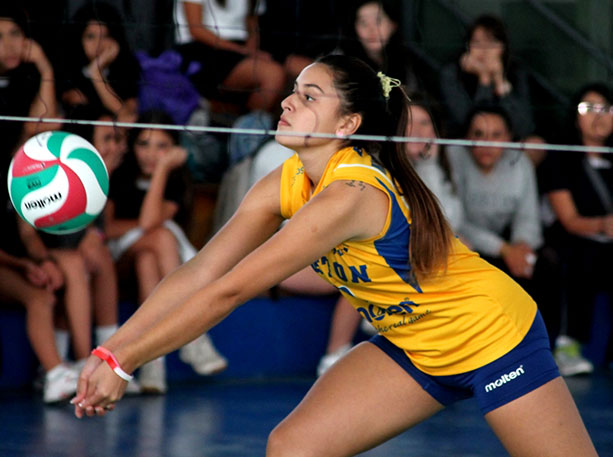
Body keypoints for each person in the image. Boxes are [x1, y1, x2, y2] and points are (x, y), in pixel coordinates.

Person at [72, 55, 597, 457]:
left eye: (309, 96)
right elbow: (201, 270)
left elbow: (229, 290)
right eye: (293, 92)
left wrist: (128, 362)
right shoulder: (286, 181)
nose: (287, 102)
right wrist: (110, 351)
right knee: (294, 447)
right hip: (416, 345)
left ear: (347, 125)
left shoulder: (350, 195)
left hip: (493, 335)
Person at [104, 110, 227, 393]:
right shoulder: (121, 175)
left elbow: (147, 222)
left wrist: (161, 174)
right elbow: (116, 228)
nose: (151, 154)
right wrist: (161, 169)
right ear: (132, 145)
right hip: (116, 263)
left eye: (161, 147)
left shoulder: (173, 181)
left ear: (173, 149)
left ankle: (152, 366)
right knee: (159, 235)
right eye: (144, 144)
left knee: (149, 259)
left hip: (147, 262)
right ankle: (193, 338)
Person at [538, 82, 613, 375]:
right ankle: (567, 346)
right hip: (572, 239)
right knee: (582, 258)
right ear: (574, 116)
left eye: (606, 108)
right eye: (588, 108)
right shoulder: (560, 158)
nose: (599, 116)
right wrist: (604, 225)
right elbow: (568, 219)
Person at [0, 179, 77, 404]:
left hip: (16, 264)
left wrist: (44, 262)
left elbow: (27, 233)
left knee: (55, 285)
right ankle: (55, 373)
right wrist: (23, 265)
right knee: (38, 298)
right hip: (10, 265)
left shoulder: (17, 180)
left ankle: (54, 369)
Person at [174, 0, 285, 113]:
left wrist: (252, 50)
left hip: (240, 48)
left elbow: (252, 22)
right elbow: (196, 30)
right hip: (203, 49)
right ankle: (248, 126)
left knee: (294, 68)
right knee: (273, 74)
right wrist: (242, 51)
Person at [439, 14, 535, 140]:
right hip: (467, 145)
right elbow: (469, 126)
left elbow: (525, 128)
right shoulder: (452, 73)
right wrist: (484, 80)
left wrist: (500, 83)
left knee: (536, 144)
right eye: (477, 42)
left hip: (506, 145)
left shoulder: (516, 73)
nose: (484, 50)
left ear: (503, 48)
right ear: (468, 46)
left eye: (492, 43)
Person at [0, 4, 61, 172]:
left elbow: (46, 121)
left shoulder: (27, 78)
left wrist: (45, 67)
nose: (9, 45)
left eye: (14, 33)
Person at [58, 1, 140, 123]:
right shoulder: (67, 71)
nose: (98, 44)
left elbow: (125, 117)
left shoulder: (127, 70)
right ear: (79, 38)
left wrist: (96, 72)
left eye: (105, 36)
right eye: (90, 36)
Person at [339, 0, 429, 96]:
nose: (372, 30)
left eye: (378, 21)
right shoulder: (341, 62)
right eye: (363, 23)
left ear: (393, 24)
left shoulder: (411, 62)